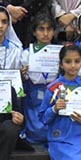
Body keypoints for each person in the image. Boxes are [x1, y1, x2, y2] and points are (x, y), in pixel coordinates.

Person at [21, 13, 57, 146]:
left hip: (54, 92)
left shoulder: (60, 52)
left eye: (49, 29)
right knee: (36, 128)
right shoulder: (26, 54)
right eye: (41, 29)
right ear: (35, 32)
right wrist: (22, 74)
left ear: (54, 32)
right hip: (33, 94)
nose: (45, 33)